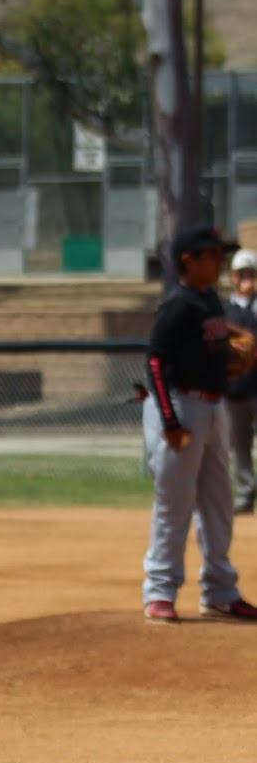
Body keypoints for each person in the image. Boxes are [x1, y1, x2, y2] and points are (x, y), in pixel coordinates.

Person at [142, 222, 257, 623]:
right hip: (181, 406)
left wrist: (236, 337)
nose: (220, 261)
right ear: (187, 262)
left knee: (218, 504)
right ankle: (159, 591)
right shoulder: (178, 304)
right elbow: (155, 360)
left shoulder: (208, 299)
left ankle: (221, 591)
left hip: (213, 408)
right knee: (175, 506)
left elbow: (216, 337)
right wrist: (171, 423)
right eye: (212, 255)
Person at [225, 246, 257, 514]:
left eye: (251, 272)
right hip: (236, 389)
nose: (246, 277)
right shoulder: (225, 309)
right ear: (232, 276)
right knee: (240, 445)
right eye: (241, 273)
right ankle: (246, 495)